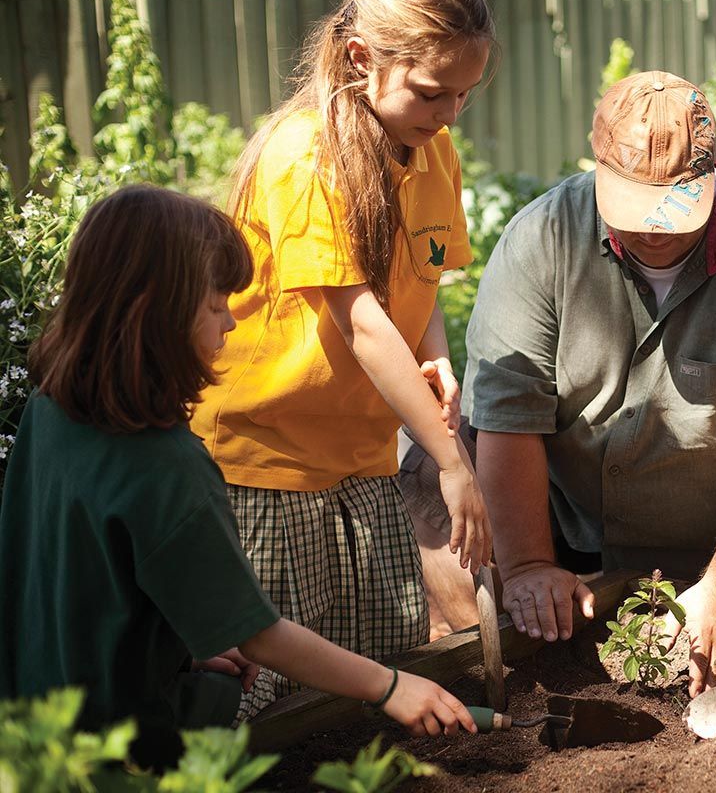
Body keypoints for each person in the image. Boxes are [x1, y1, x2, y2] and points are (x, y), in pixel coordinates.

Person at [0, 187, 477, 769]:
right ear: (157, 309)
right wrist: (392, 686)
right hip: (119, 755)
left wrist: (184, 647)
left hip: (30, 726)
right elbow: (261, 636)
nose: (230, 322)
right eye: (216, 302)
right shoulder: (168, 463)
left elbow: (88, 580)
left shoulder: (50, 412)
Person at [463, 72, 716, 698]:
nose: (652, 230)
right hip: (586, 564)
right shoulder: (543, 240)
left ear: (713, 180)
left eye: (672, 211)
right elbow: (508, 414)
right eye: (633, 210)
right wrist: (529, 565)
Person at [190, 0, 493, 719]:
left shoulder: (433, 151)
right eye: (432, 92)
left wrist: (437, 355)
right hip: (266, 461)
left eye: (464, 94)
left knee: (376, 671)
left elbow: (424, 281)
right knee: (270, 699)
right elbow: (359, 323)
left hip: (360, 458)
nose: (450, 112)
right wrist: (453, 462)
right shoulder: (304, 155)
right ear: (363, 59)